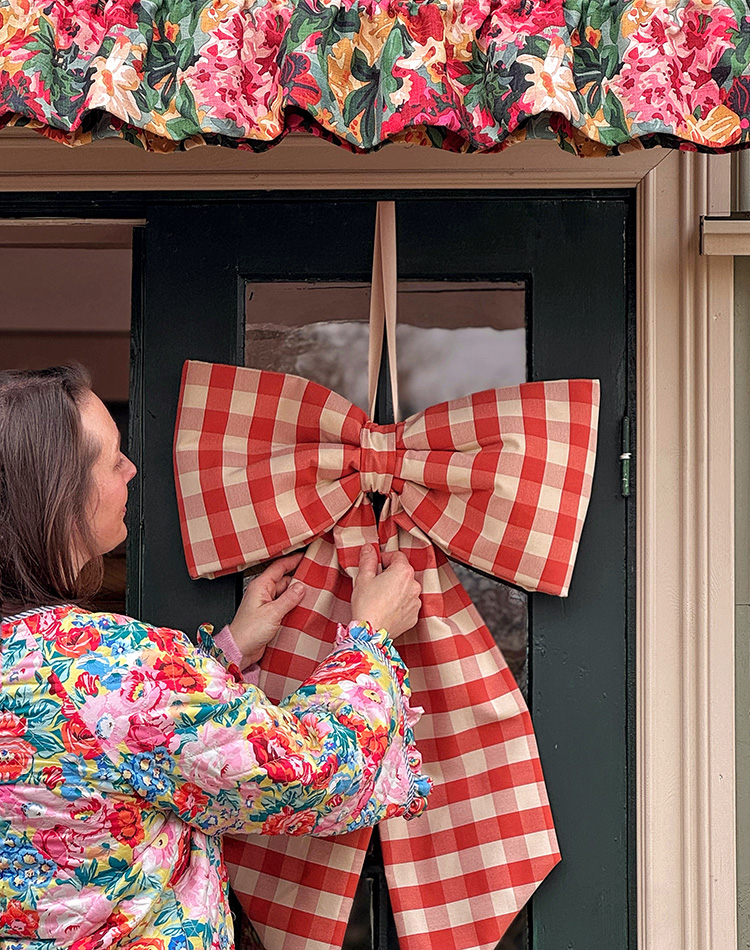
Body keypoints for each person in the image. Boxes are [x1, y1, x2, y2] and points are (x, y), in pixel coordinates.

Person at [0, 365, 429, 950]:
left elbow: (120, 747)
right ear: (54, 498)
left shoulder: (83, 669)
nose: (131, 469)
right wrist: (370, 637)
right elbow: (314, 775)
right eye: (112, 459)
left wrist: (228, 652)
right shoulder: (102, 666)